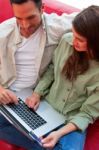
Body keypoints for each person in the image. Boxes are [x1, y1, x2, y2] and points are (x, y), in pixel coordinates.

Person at [0, 0, 77, 149]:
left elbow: (91, 18)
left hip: (36, 99)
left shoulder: (57, 26)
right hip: (6, 97)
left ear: (42, 8)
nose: (25, 25)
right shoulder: (3, 32)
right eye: (19, 18)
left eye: (30, 17)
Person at [28, 5, 99, 150]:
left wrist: (58, 134)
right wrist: (36, 93)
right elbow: (52, 69)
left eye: (80, 39)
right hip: (46, 105)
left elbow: (87, 113)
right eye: (73, 34)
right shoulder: (66, 40)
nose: (74, 41)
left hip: (70, 120)